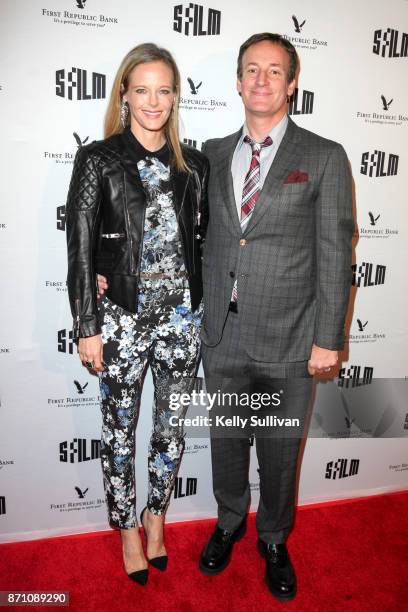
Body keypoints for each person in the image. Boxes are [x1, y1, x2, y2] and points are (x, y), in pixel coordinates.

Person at [96, 32, 353, 600]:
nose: (261, 80)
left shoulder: (323, 156)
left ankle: (274, 538)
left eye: (274, 71)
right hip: (218, 334)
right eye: (251, 70)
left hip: (290, 338)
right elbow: (165, 225)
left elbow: (336, 253)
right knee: (227, 441)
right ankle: (230, 520)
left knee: (282, 449)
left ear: (291, 84)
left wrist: (328, 338)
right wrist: (105, 265)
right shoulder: (205, 155)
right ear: (237, 83)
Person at [66, 42, 209, 586]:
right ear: (124, 94)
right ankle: (126, 526)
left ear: (176, 98)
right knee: (120, 431)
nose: (154, 101)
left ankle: (156, 518)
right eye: (142, 89)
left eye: (164, 90)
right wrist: (87, 323)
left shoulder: (194, 165)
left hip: (182, 321)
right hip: (121, 318)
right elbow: (79, 247)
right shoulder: (99, 159)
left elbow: (206, 243)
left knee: (170, 431)